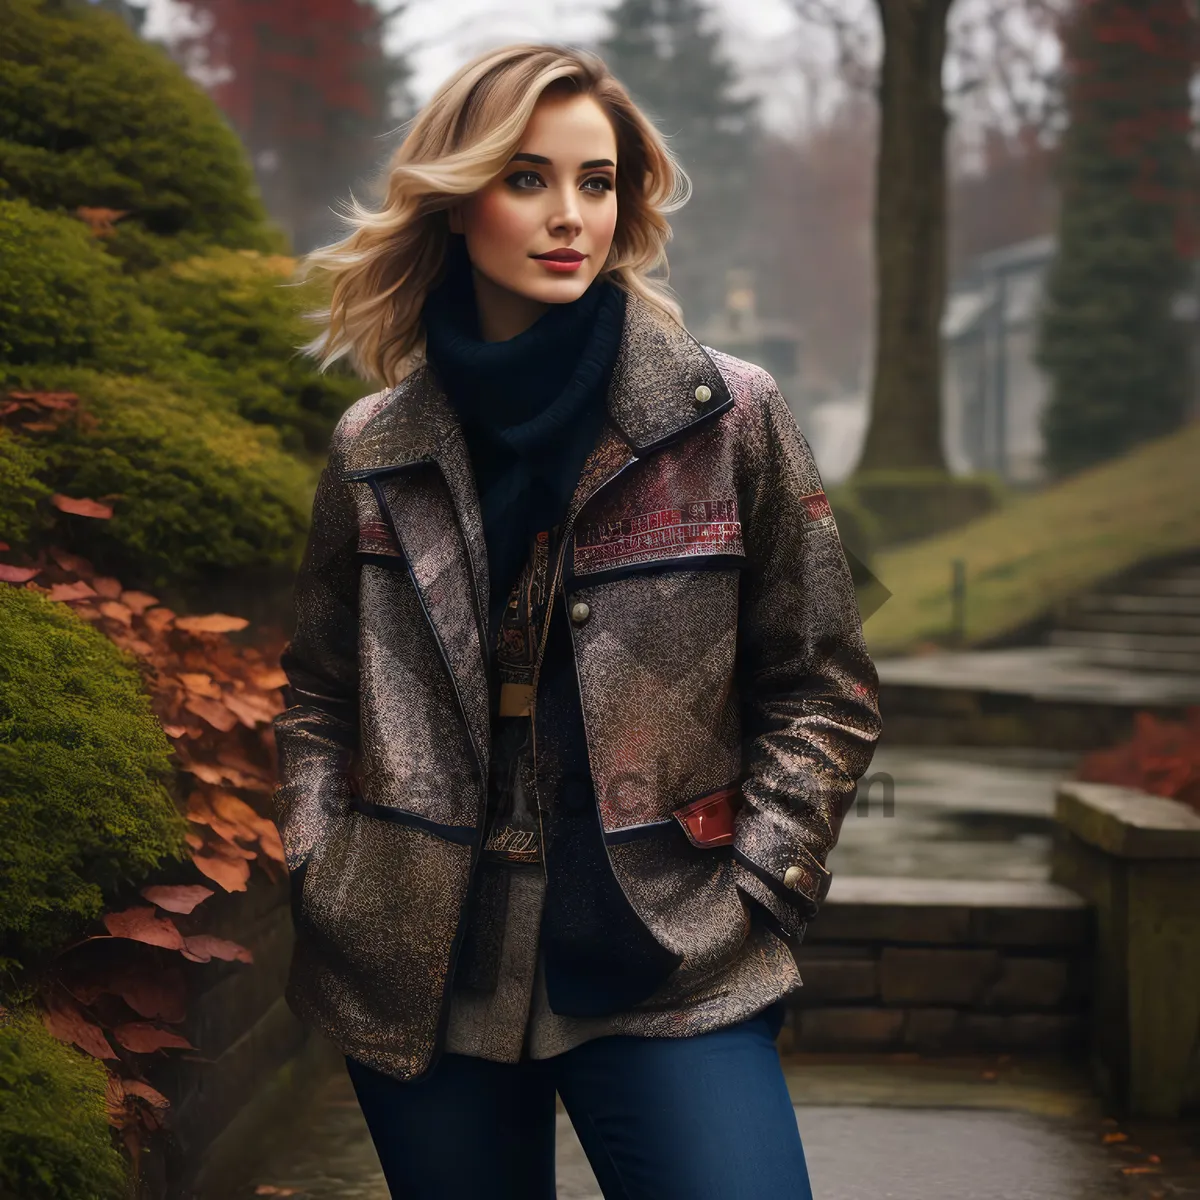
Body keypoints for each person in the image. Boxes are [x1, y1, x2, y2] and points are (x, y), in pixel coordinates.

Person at [273, 42, 882, 1200]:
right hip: (422, 959)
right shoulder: (376, 446)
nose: (570, 217)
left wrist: (759, 887)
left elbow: (823, 685)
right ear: (458, 203)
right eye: (528, 179)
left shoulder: (726, 417)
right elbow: (318, 691)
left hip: (669, 944)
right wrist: (327, 871)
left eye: (596, 183)